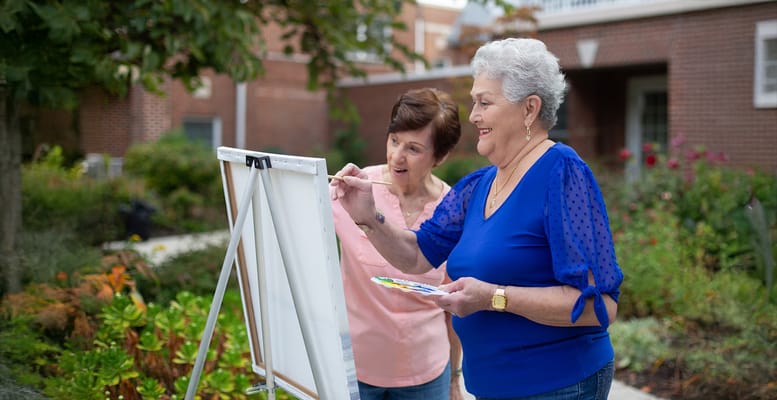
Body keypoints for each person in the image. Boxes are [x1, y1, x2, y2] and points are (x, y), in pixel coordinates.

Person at [330, 38, 624, 400]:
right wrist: (369, 217)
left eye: (485, 102)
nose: (473, 115)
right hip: (493, 386)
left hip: (558, 385)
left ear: (529, 109)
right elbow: (418, 254)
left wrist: (494, 298)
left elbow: (601, 306)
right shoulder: (478, 185)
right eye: (474, 102)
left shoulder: (563, 174)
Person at [330, 88, 465, 400]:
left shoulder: (454, 209)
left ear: (440, 156)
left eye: (414, 148)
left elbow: (453, 310)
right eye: (394, 140)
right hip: (355, 371)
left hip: (426, 375)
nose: (396, 156)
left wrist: (454, 379)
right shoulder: (352, 190)